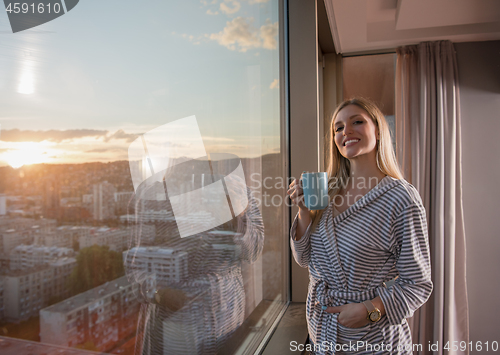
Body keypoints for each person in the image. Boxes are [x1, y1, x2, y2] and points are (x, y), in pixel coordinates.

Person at [287, 98, 433, 354]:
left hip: (372, 340)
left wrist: (369, 310)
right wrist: (303, 212)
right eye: (339, 128)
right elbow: (305, 258)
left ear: (378, 130)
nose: (347, 131)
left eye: (357, 122)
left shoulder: (400, 198)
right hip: (322, 336)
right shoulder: (327, 192)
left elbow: (418, 283)